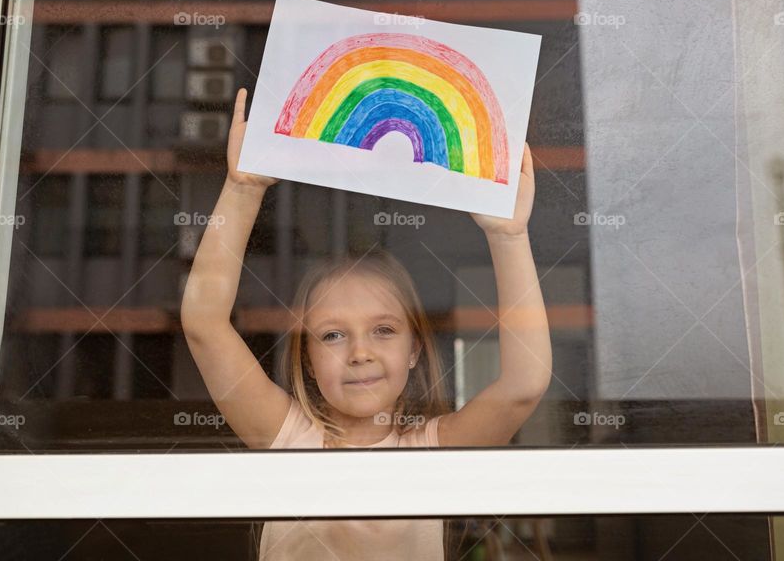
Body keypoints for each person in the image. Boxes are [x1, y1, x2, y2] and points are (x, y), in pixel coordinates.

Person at [180, 88, 553, 560]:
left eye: (384, 330)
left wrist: (509, 235)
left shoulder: (433, 451)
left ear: (414, 349)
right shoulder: (287, 437)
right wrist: (242, 189)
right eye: (333, 335)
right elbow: (204, 323)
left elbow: (525, 383)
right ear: (308, 362)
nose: (360, 352)